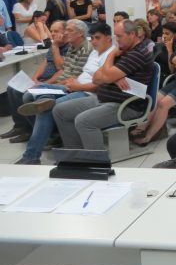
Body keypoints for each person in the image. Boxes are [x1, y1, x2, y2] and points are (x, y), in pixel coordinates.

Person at [15, 23, 115, 165]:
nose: (94, 41)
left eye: (97, 38)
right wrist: (74, 81)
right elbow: (80, 72)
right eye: (92, 38)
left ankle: (32, 155)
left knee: (48, 107)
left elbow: (102, 85)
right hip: (74, 86)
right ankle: (46, 141)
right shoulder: (94, 52)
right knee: (33, 95)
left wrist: (78, 85)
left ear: (108, 38)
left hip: (87, 92)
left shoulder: (111, 55)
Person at [53, 20, 154, 150]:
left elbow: (106, 76)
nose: (117, 40)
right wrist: (114, 78)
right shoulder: (123, 51)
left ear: (132, 34)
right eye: (116, 36)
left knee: (83, 121)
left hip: (126, 106)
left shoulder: (137, 54)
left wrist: (111, 56)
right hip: (104, 99)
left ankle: (97, 159)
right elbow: (96, 78)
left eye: (119, 36)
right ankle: (76, 153)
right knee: (60, 111)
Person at [1, 21, 69, 144]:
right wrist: (35, 78)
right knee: (12, 88)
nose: (52, 34)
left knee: (22, 93)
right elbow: (45, 63)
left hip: (55, 83)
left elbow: (61, 69)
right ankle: (20, 126)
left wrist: (44, 83)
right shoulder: (54, 45)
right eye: (51, 31)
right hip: (43, 81)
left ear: (65, 32)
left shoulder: (67, 47)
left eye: (56, 31)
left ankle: (32, 130)